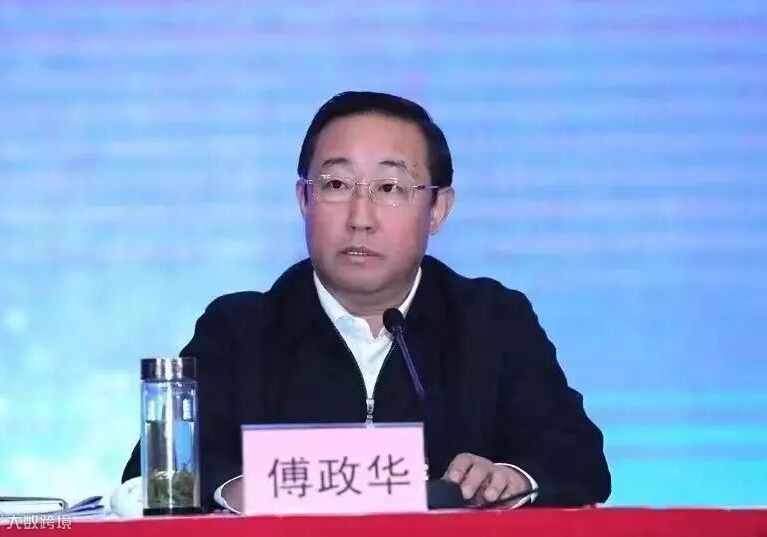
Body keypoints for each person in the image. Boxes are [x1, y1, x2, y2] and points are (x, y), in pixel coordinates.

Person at [121, 91, 611, 512]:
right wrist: (237, 491)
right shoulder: (238, 330)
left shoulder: (492, 320)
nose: (361, 217)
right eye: (336, 185)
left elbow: (578, 458)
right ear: (304, 200)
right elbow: (151, 476)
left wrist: (512, 478)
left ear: (438, 209)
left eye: (390, 188)